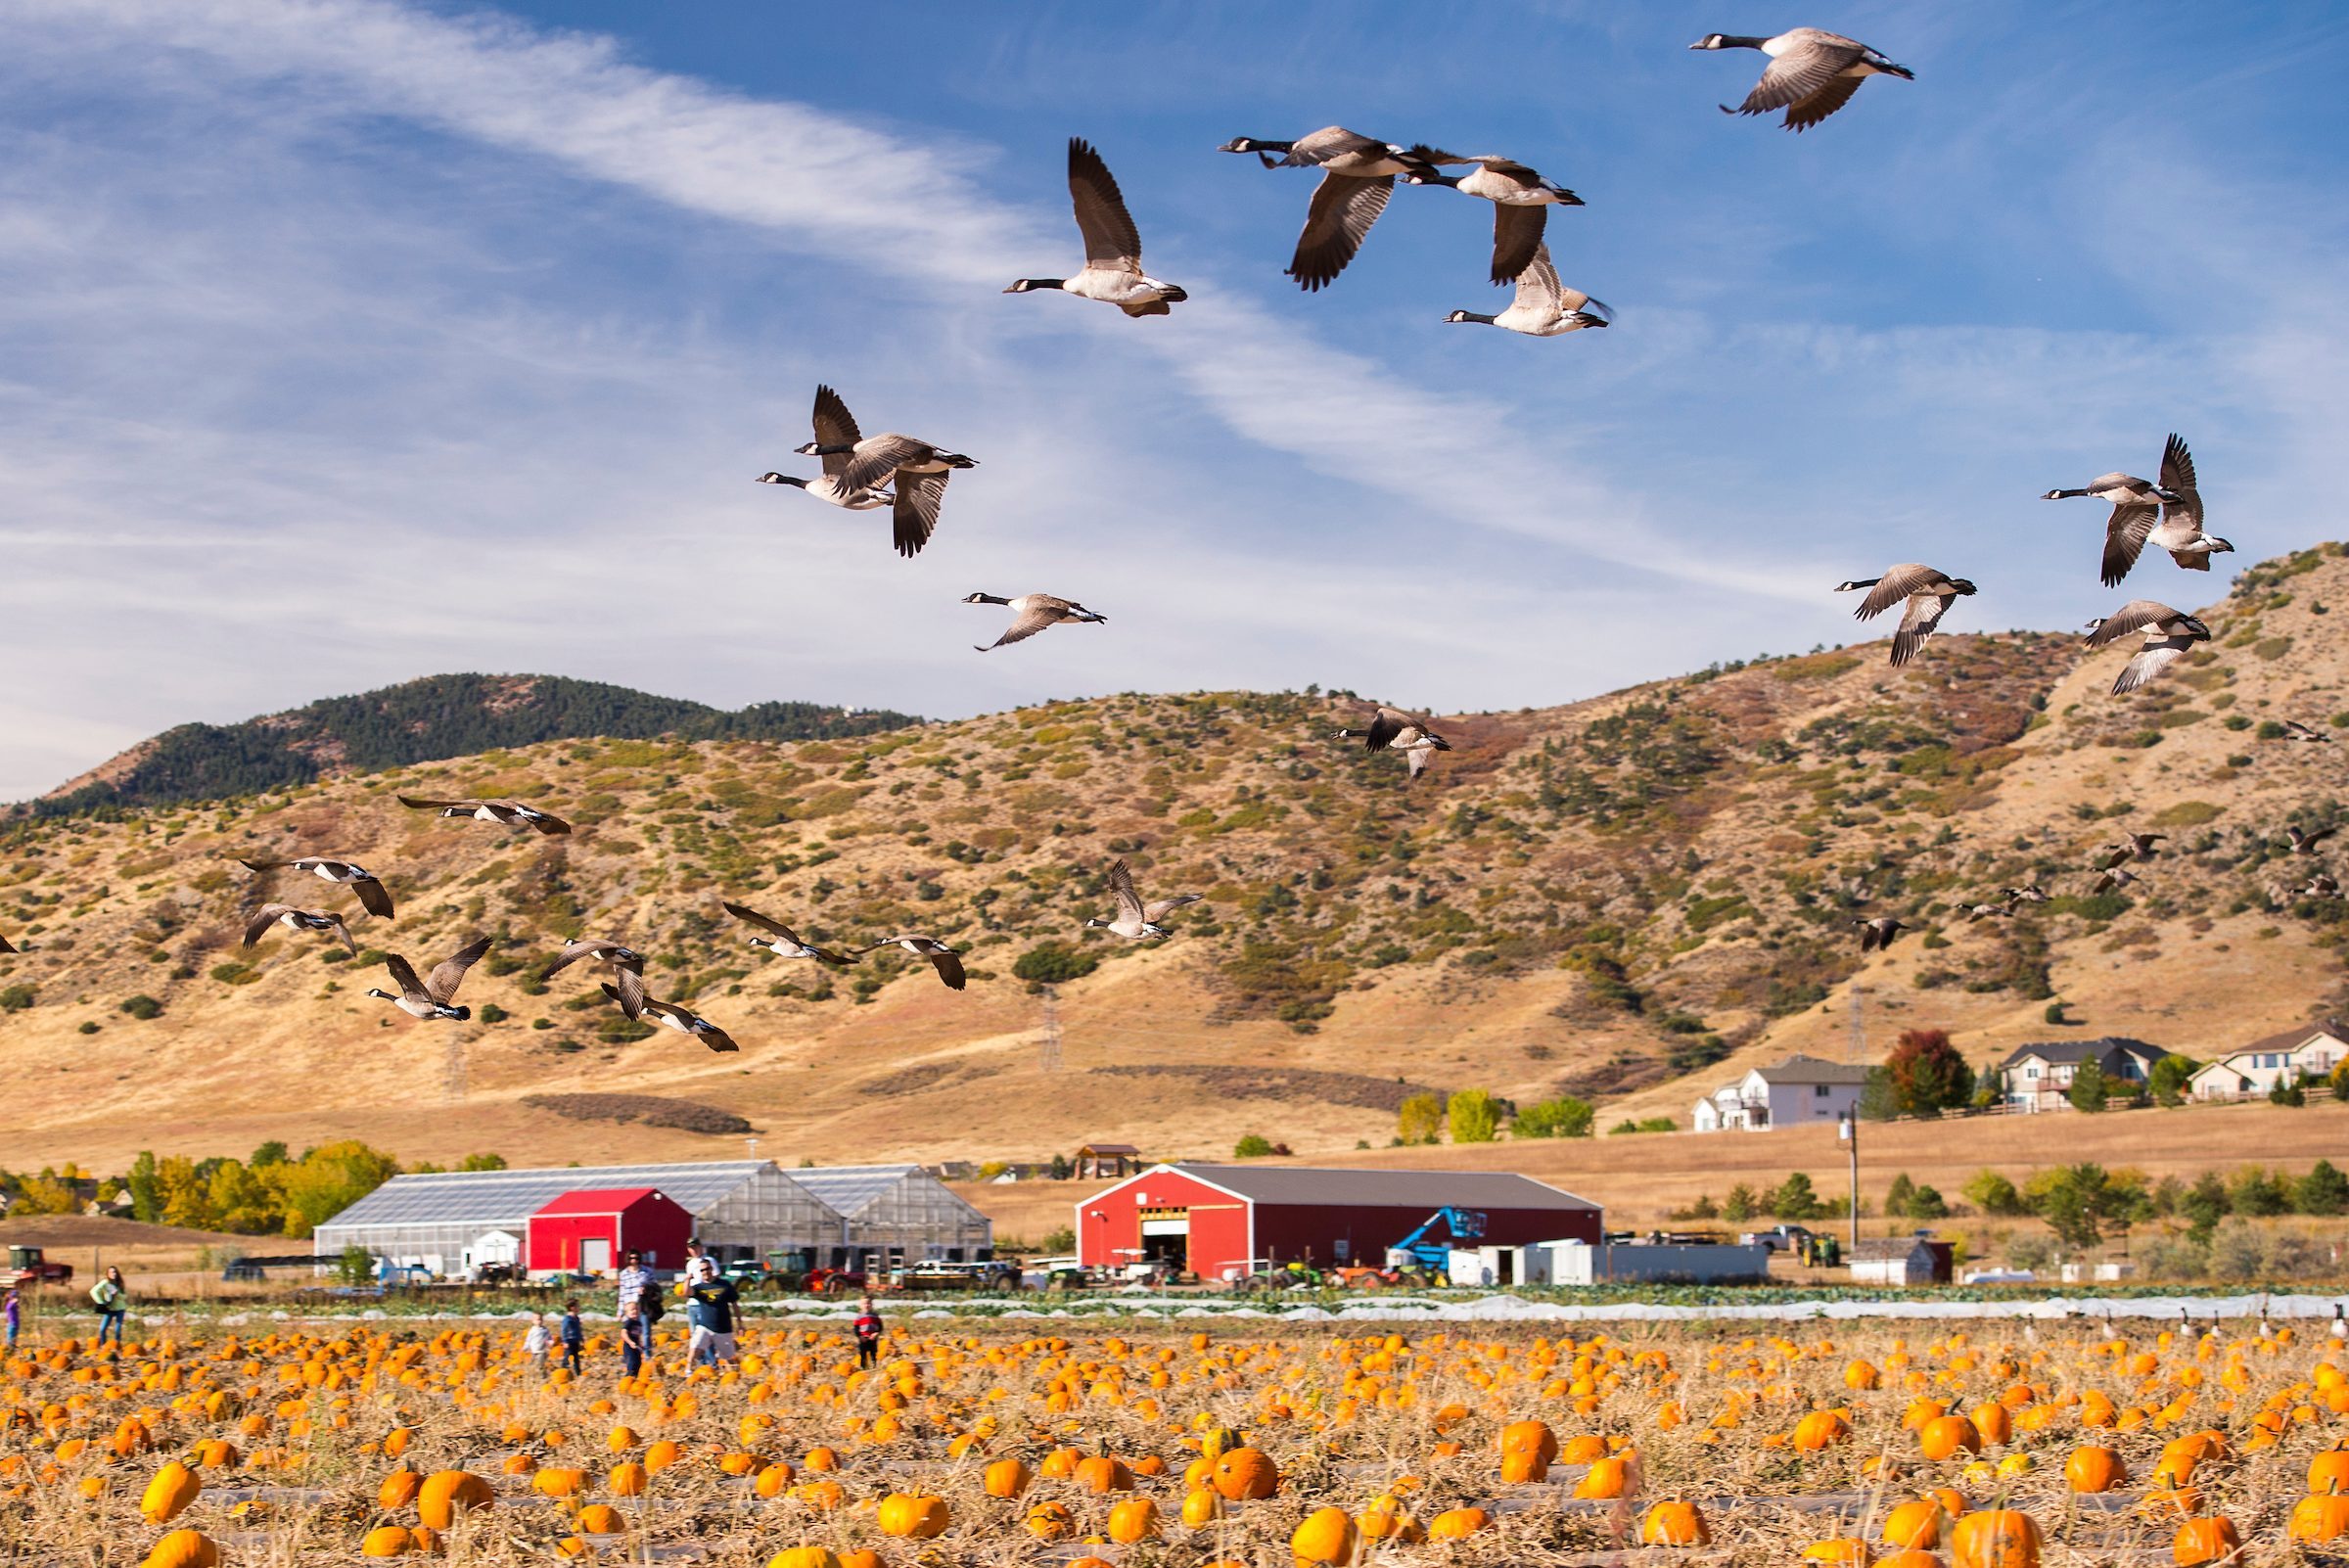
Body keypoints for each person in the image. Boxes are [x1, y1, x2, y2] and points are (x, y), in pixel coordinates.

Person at [686, 1259, 741, 1368]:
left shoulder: (725, 1285)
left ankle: (735, 1374)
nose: (705, 1272)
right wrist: (687, 1279)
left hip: (723, 1328)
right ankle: (688, 1372)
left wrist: (740, 1323)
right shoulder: (699, 1288)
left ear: (712, 1269)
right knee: (695, 1348)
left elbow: (735, 1304)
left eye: (707, 1269)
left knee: (729, 1359)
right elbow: (686, 1292)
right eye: (702, 1270)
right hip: (705, 1326)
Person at [615, 1250, 654, 1376]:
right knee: (630, 1333)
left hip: (642, 1306)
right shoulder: (624, 1274)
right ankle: (629, 1358)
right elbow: (622, 1293)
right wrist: (620, 1311)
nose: (634, 1260)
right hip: (629, 1308)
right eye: (631, 1258)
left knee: (645, 1332)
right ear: (628, 1259)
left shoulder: (647, 1272)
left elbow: (655, 1288)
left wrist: (647, 1290)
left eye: (636, 1258)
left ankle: (646, 1356)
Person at [91, 1268, 128, 1347]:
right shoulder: (105, 1283)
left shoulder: (119, 1283)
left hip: (120, 1309)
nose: (114, 1274)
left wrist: (117, 1294)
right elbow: (93, 1291)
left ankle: (117, 1346)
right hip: (109, 1309)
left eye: (115, 1272)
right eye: (111, 1272)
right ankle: (103, 1346)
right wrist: (101, 1302)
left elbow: (125, 1296)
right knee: (102, 1328)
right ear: (107, 1274)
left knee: (117, 1329)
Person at [852, 1295, 883, 1369]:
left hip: (872, 1337)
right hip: (863, 1338)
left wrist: (876, 1333)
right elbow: (856, 1328)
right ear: (860, 1306)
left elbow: (880, 1326)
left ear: (872, 1305)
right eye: (864, 1303)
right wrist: (860, 1336)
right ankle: (863, 1367)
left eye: (868, 1303)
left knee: (873, 1352)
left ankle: (873, 1366)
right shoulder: (859, 1317)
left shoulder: (875, 1316)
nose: (866, 1305)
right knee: (863, 1353)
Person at [559, 1299, 584, 1375]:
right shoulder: (567, 1319)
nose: (579, 1307)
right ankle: (563, 1370)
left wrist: (581, 1338)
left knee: (576, 1358)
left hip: (575, 1341)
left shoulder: (577, 1318)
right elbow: (564, 1330)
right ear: (572, 1308)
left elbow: (579, 1329)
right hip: (569, 1342)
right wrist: (565, 1341)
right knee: (567, 1356)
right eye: (578, 1306)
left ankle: (578, 1373)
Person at [522, 1311, 551, 1376]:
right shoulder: (532, 1330)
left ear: (542, 1320)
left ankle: (543, 1376)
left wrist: (550, 1343)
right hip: (534, 1351)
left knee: (541, 1364)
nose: (539, 1321)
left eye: (540, 1319)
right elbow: (528, 1340)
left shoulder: (545, 1330)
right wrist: (525, 1347)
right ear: (533, 1321)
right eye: (537, 1319)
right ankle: (532, 1374)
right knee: (532, 1363)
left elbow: (549, 1337)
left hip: (542, 1351)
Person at [4, 1284, 21, 1352]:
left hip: (15, 1323)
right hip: (12, 1323)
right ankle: (10, 1349)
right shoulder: (10, 1304)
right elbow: (9, 1307)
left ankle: (12, 1348)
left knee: (13, 1338)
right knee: (10, 1339)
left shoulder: (14, 1304)